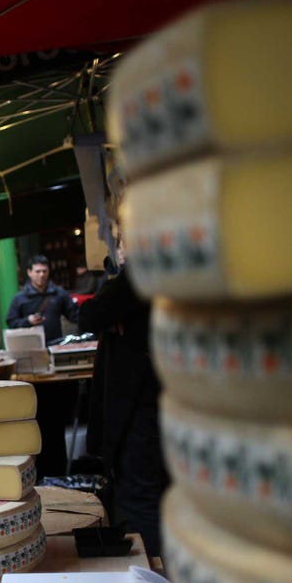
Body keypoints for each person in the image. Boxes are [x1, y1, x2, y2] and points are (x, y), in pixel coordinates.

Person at [78, 235, 168, 559]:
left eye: (123, 242)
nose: (120, 250)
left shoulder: (143, 271)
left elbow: (88, 315)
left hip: (139, 402)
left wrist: (114, 315)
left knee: (142, 496)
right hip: (166, 397)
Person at [6, 254, 79, 343]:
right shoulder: (20, 298)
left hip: (55, 343)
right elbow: (11, 322)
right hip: (30, 345)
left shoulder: (58, 293)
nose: (41, 275)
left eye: (45, 271)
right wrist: (28, 321)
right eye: (38, 271)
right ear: (29, 272)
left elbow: (74, 315)